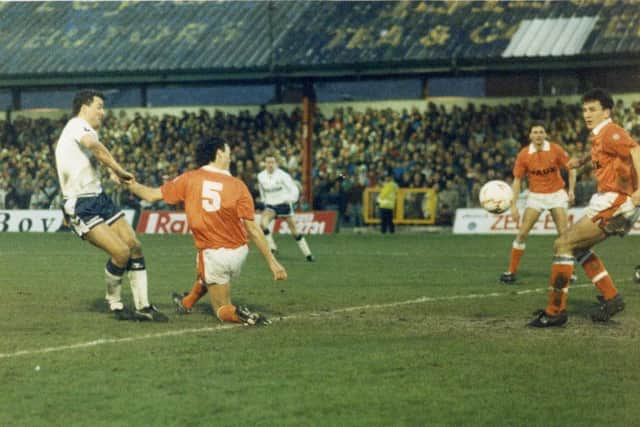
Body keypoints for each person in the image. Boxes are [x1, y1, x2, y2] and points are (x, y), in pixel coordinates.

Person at [125, 137, 287, 325]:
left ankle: (244, 315)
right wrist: (272, 262)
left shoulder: (189, 178)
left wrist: (130, 184)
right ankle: (186, 302)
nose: (230, 157)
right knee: (203, 270)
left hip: (214, 254)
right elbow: (253, 229)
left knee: (221, 309)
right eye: (228, 153)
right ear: (218, 154)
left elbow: (151, 195)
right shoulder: (238, 185)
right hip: (240, 252)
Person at [529, 88, 640, 327]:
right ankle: (611, 298)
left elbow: (636, 150)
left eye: (592, 110)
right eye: (584, 110)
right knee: (578, 247)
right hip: (607, 199)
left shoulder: (612, 131)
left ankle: (555, 311)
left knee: (563, 244)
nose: (586, 114)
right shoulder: (599, 134)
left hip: (617, 201)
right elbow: (603, 153)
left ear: (606, 111)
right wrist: (582, 160)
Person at [54, 89, 167, 322]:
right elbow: (95, 147)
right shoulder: (77, 124)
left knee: (134, 245)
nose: (102, 113)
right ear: (84, 108)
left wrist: (109, 172)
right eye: (99, 106)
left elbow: (92, 154)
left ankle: (143, 306)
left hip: (100, 199)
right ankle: (115, 304)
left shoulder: (83, 130)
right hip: (81, 204)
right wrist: (118, 169)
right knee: (121, 252)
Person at [500, 123, 576, 284]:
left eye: (541, 132)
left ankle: (569, 272)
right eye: (535, 132)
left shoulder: (555, 149)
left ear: (545, 134)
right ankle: (511, 271)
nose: (538, 135)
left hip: (556, 194)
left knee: (563, 234)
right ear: (530, 136)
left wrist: (571, 190)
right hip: (535, 196)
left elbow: (572, 168)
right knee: (522, 233)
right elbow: (517, 180)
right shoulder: (524, 154)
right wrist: (513, 206)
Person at [257, 152, 315, 261]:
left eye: (272, 162)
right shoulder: (260, 176)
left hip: (284, 205)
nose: (270, 165)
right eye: (268, 162)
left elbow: (294, 189)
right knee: (262, 224)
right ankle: (273, 247)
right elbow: (262, 191)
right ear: (265, 163)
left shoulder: (283, 175)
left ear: (276, 163)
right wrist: (264, 200)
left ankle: (308, 254)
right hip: (271, 206)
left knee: (295, 232)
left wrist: (291, 199)